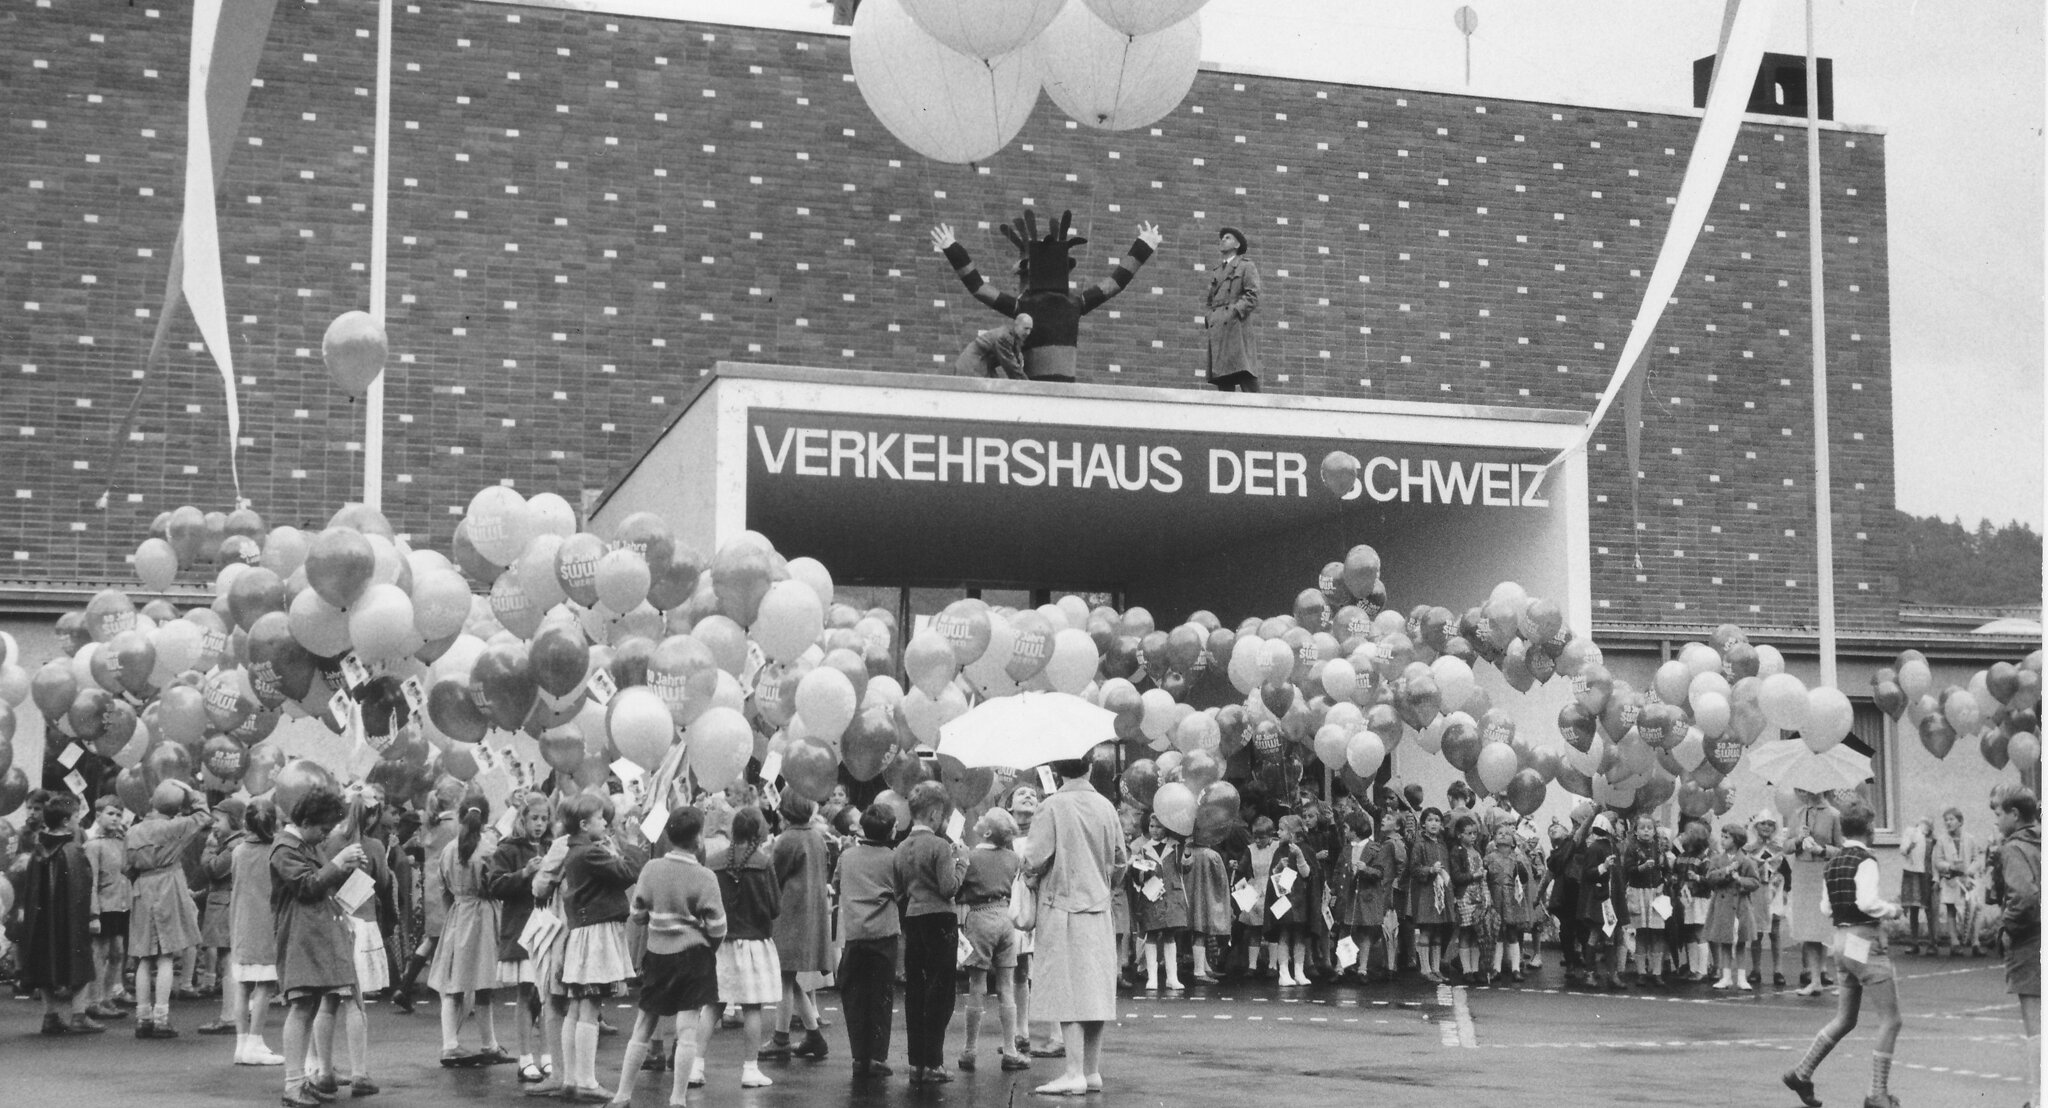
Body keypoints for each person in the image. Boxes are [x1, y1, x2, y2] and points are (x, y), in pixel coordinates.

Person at [931, 212, 1163, 383]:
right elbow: (1114, 284)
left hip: (1042, 390)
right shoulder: (1073, 303)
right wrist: (1143, 247)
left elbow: (979, 288)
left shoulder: (1026, 305)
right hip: (1050, 390)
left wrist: (952, 248)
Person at [1780, 798, 1903, 1108]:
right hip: (1863, 939)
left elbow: (1825, 907)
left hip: (1840, 940)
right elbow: (1867, 903)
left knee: (1845, 1018)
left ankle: (1802, 1072)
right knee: (1891, 1020)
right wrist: (1892, 910)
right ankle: (1877, 1092)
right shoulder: (1866, 860)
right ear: (1870, 829)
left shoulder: (1832, 863)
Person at [1022, 755, 1128, 1097]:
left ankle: (1072, 1072)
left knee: (1066, 990)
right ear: (1090, 767)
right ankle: (1091, 1071)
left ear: (1057, 771)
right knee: (1095, 990)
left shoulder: (1051, 806)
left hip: (1061, 907)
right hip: (1099, 906)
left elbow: (1034, 859)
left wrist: (1029, 872)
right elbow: (1120, 862)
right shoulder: (1106, 807)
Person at [607, 805, 725, 1108]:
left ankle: (622, 1095)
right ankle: (678, 1099)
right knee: (687, 1030)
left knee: (644, 1024)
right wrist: (708, 945)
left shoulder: (651, 869)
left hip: (658, 955)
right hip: (694, 957)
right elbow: (718, 926)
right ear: (698, 839)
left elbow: (637, 914)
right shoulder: (705, 876)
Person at [274, 786, 371, 1108]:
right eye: (323, 829)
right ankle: (292, 1085)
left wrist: (347, 868)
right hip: (300, 936)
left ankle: (300, 1081)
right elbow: (306, 887)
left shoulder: (303, 845)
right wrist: (339, 861)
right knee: (301, 1007)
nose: (326, 835)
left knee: (309, 1006)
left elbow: (318, 882)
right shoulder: (285, 848)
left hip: (313, 935)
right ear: (305, 821)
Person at [557, 792, 647, 1103]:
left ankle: (571, 1078)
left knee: (577, 1005)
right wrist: (631, 842)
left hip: (583, 932)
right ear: (584, 824)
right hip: (597, 933)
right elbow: (628, 873)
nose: (606, 822)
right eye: (600, 818)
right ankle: (586, 1081)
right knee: (590, 1005)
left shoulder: (578, 851)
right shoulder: (589, 853)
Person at [13, 791, 103, 1035]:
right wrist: (92, 916)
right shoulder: (73, 850)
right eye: (75, 816)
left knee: (44, 961)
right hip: (70, 920)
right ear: (65, 821)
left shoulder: (38, 850)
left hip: (42, 920)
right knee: (80, 960)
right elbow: (82, 888)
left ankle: (51, 1015)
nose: (77, 820)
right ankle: (78, 1014)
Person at [128, 779, 212, 1037]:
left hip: (142, 888)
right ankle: (161, 1018)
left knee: (144, 957)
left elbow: (125, 866)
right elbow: (203, 815)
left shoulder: (133, 831)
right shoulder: (176, 826)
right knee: (166, 955)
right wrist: (190, 792)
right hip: (167, 887)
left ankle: (142, 1017)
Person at [895, 780, 966, 1084]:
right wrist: (962, 863)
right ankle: (934, 1063)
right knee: (941, 992)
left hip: (913, 918)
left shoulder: (900, 848)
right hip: (940, 919)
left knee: (916, 991)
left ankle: (916, 1064)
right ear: (935, 814)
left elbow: (899, 892)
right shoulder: (939, 846)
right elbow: (949, 888)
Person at [430, 795, 507, 1067]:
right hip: (484, 915)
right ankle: (488, 1044)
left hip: (459, 914)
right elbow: (497, 885)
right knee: (484, 982)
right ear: (485, 819)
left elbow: (443, 888)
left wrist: (455, 909)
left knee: (454, 982)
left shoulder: (449, 850)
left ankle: (451, 1043)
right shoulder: (489, 849)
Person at [709, 805, 782, 1089]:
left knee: (712, 1006)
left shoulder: (714, 862)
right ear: (758, 830)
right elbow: (775, 907)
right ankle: (750, 1069)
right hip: (755, 942)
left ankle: (695, 1066)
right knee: (753, 1007)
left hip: (721, 943)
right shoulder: (763, 862)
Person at [484, 792, 555, 1083]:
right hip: (522, 927)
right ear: (522, 819)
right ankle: (525, 1058)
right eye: (534, 818)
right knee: (526, 993)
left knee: (549, 995)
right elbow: (495, 885)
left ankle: (548, 1055)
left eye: (544, 818)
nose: (539, 824)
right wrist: (525, 873)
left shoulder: (553, 846)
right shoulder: (508, 848)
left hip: (550, 928)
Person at [760, 792, 831, 1064]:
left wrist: (767, 853)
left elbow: (773, 876)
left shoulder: (788, 839)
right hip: (810, 913)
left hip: (789, 915)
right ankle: (814, 1035)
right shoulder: (816, 837)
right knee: (789, 978)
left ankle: (781, 1038)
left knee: (784, 977)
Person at [956, 806, 1027, 1073]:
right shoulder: (1013, 858)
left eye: (984, 818)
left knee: (977, 985)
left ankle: (969, 1050)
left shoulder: (971, 856)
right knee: (1006, 986)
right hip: (1006, 918)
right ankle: (1010, 1050)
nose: (979, 818)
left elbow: (957, 890)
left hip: (980, 916)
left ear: (986, 832)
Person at [835, 805, 902, 1077]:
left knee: (854, 997)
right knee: (881, 997)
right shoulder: (893, 859)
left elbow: (837, 883)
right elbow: (901, 892)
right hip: (883, 934)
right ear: (891, 831)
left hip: (854, 935)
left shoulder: (847, 856)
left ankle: (858, 1056)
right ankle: (877, 1056)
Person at [1990, 787, 2039, 1105]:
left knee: (2035, 1023)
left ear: (2015, 814)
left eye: (1999, 813)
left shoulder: (2013, 848)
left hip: (2030, 941)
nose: (1996, 820)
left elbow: (2024, 896)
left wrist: (2006, 927)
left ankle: (2038, 1097)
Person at [227, 798, 285, 1065]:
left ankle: (242, 1044)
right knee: (265, 985)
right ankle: (255, 1041)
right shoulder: (276, 851)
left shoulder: (238, 851)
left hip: (241, 923)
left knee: (243, 985)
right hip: (266, 923)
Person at [197, 797, 247, 1036]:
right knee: (231, 961)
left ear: (233, 820)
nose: (213, 825)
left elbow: (214, 869)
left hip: (225, 905)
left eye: (218, 820)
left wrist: (208, 849)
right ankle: (237, 1011)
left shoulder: (232, 846)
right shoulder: (239, 843)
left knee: (228, 961)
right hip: (233, 903)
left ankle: (229, 1016)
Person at [82, 793, 132, 1020]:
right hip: (103, 906)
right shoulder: (93, 845)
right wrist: (93, 914)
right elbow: (91, 882)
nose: (115, 818)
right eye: (110, 813)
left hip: (121, 904)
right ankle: (93, 1000)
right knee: (99, 953)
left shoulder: (122, 842)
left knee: (118, 952)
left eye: (119, 815)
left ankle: (107, 996)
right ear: (98, 816)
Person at [1133, 812, 1189, 991]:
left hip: (1171, 895)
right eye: (1152, 826)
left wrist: (1187, 853)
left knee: (1169, 934)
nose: (1155, 830)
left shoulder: (1176, 846)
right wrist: (1140, 871)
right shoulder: (1144, 849)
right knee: (1151, 933)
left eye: (1159, 827)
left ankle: (1172, 977)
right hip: (1152, 895)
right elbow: (1137, 876)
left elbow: (1185, 868)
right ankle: (1152, 977)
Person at [1203, 227, 1262, 391]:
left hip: (1236, 327)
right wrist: (1209, 317)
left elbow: (1253, 294)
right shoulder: (1217, 271)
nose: (1222, 240)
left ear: (1237, 245)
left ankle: (1260, 408)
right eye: (1222, 238)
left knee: (1245, 374)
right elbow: (1210, 300)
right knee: (1223, 379)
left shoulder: (1245, 266)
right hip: (1218, 328)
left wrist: (1235, 311)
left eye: (1227, 238)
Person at [1703, 821, 1760, 991]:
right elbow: (1710, 878)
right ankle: (1726, 977)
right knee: (1725, 942)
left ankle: (1741, 978)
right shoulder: (1717, 859)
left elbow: (1755, 882)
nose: (1722, 840)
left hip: (1740, 907)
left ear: (1736, 840)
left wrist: (1740, 880)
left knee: (1740, 942)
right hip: (1722, 906)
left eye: (1726, 837)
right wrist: (1726, 871)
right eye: (1722, 836)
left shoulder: (1746, 861)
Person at [1482, 822, 1534, 983]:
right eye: (1499, 833)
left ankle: (1516, 968)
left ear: (1513, 841)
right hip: (1495, 896)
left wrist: (1521, 866)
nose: (1503, 835)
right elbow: (1485, 878)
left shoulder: (1517, 858)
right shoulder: (1489, 858)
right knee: (1497, 932)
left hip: (1511, 898)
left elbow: (1524, 879)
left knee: (1512, 932)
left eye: (1507, 833)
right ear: (1494, 840)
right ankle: (1496, 968)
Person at [1932, 805, 1984, 957]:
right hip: (1951, 880)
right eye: (1946, 820)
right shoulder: (1941, 840)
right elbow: (1938, 861)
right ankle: (1954, 942)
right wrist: (1949, 866)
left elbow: (1977, 859)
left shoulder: (1970, 839)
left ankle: (1975, 942)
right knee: (1951, 909)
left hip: (1968, 880)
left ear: (1960, 821)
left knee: (1975, 908)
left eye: (1951, 819)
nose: (1948, 822)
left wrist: (1970, 870)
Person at [1407, 809, 1451, 983]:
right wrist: (1430, 870)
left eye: (1437, 820)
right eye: (1430, 820)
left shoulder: (1442, 845)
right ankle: (1425, 969)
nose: (1434, 823)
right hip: (1425, 892)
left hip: (1441, 893)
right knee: (1426, 930)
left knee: (1438, 931)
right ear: (1423, 823)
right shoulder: (1419, 845)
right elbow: (1414, 868)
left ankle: (1436, 968)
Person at [954, 313, 1034, 378]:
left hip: (982, 365)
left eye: (1030, 329)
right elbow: (1011, 368)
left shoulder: (1012, 338)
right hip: (971, 367)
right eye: (1026, 328)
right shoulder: (1004, 337)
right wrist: (1029, 387)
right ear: (1016, 325)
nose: (1028, 333)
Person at [1897, 815, 1934, 954]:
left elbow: (1934, 858)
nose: (1924, 827)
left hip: (1927, 875)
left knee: (1929, 908)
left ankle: (1932, 943)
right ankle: (1914, 942)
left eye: (1928, 825)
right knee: (1913, 907)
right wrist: (1910, 846)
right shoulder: (1911, 833)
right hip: (1912, 874)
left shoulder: (1933, 840)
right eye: (1922, 824)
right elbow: (1903, 850)